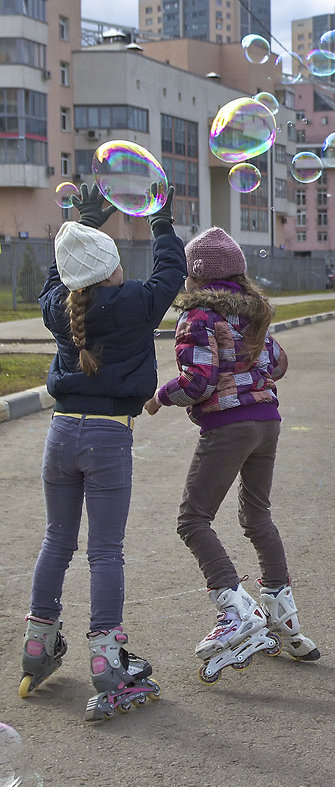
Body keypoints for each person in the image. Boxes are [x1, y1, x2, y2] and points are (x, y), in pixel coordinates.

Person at [19, 183, 187, 720]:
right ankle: (105, 658)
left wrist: (87, 221)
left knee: (57, 541)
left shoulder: (58, 309)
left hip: (61, 433)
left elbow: (55, 277)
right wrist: (160, 221)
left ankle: (38, 643)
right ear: (112, 267)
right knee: (105, 550)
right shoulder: (137, 302)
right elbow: (171, 272)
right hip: (110, 437)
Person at [144, 227, 320, 683]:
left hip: (229, 425)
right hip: (268, 421)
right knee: (256, 516)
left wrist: (160, 396)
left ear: (195, 274)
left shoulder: (199, 316)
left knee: (193, 518)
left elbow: (198, 382)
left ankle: (234, 606)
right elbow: (279, 363)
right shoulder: (255, 313)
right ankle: (285, 618)